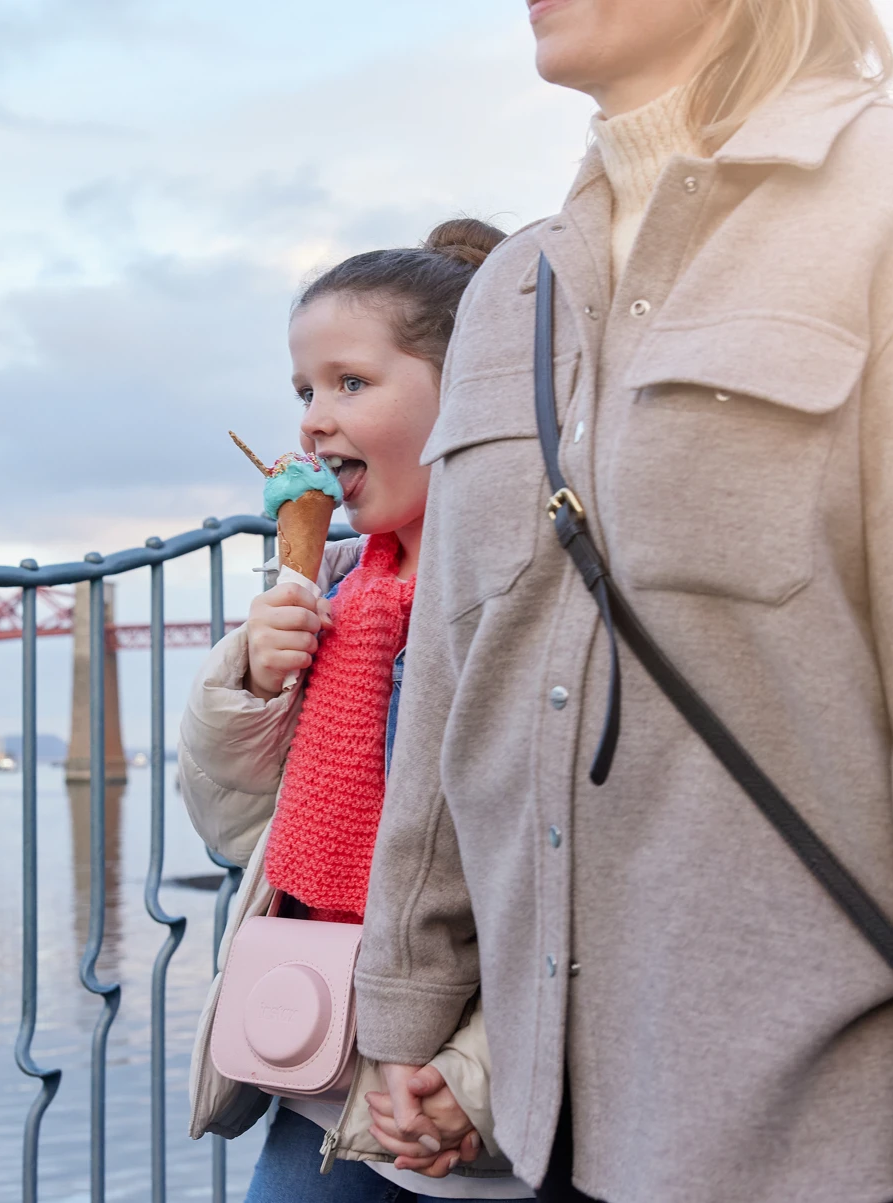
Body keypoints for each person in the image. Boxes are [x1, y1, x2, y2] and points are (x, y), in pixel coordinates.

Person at [351, 2, 893, 1202]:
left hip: (854, 1152)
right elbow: (450, 689)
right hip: (554, 1145)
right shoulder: (508, 292)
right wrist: (410, 1006)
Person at [182, 218, 536, 1200]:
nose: (310, 420)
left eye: (351, 383)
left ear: (467, 393)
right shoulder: (328, 593)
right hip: (319, 1072)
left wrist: (478, 1080)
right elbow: (234, 830)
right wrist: (251, 686)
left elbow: (564, 887)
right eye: (304, 390)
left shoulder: (533, 604)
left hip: (451, 1102)